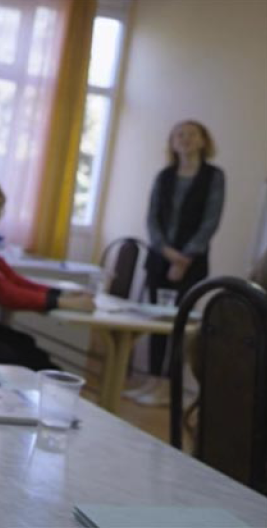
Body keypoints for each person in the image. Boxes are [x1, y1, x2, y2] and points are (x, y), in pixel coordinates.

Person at [0, 178, 94, 371]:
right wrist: (63, 303)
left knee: (29, 345)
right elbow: (6, 295)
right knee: (43, 366)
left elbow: (13, 279)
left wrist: (58, 294)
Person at [136, 120, 225, 406]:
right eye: (179, 135)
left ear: (203, 140)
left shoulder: (214, 176)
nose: (184, 139)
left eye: (191, 134)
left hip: (192, 263)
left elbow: (210, 221)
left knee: (179, 324)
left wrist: (185, 257)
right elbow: (152, 218)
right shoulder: (164, 176)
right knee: (157, 322)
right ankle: (152, 381)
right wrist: (167, 252)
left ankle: (169, 386)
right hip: (160, 260)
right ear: (172, 142)